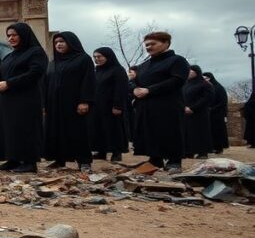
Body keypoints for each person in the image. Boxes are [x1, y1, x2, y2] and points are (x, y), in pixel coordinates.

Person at [0, 22, 48, 173]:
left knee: (27, 129)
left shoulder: (35, 52)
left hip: (27, 99)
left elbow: (35, 73)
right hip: (8, 100)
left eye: (14, 35)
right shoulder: (10, 56)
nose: (10, 38)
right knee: (10, 129)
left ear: (23, 35)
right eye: (8, 36)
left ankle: (30, 162)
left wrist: (9, 84)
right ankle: (13, 159)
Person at [133, 31, 190, 172]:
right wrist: (134, 90)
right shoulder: (143, 65)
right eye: (146, 45)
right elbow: (133, 81)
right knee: (150, 131)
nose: (149, 47)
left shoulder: (177, 60)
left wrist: (149, 90)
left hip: (168, 104)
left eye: (153, 44)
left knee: (170, 131)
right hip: (146, 105)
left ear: (166, 43)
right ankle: (155, 160)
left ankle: (174, 160)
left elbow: (177, 80)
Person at [43, 32, 96, 171]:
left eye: (62, 41)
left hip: (74, 104)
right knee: (56, 131)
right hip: (54, 104)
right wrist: (44, 104)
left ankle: (84, 161)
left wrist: (84, 101)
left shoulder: (83, 59)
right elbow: (46, 84)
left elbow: (88, 81)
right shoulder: (52, 63)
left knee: (78, 132)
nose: (58, 44)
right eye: (56, 42)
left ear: (71, 42)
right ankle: (59, 160)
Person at [90, 48, 129, 162]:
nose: (97, 59)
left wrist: (118, 105)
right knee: (99, 129)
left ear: (108, 56)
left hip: (112, 106)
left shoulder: (117, 70)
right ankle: (101, 151)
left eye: (100, 56)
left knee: (114, 129)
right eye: (95, 57)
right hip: (98, 106)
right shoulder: (97, 71)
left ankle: (117, 152)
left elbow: (121, 89)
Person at [182, 65, 214, 159]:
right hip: (186, 112)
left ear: (196, 72)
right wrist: (183, 107)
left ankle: (202, 152)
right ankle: (189, 151)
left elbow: (207, 98)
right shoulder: (185, 84)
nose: (188, 73)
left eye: (190, 71)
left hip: (199, 112)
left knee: (200, 132)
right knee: (188, 132)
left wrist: (193, 108)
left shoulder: (205, 84)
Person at [203, 72, 229, 154]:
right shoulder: (208, 87)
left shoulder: (218, 88)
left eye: (205, 78)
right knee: (210, 130)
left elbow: (223, 101)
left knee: (218, 130)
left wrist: (213, 108)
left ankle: (219, 147)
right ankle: (211, 147)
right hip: (209, 113)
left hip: (218, 113)